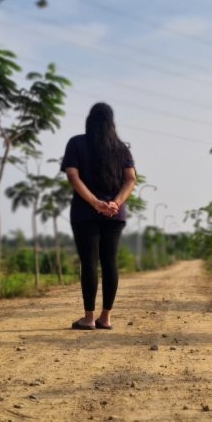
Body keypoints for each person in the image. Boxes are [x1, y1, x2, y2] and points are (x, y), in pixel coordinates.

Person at [61, 102, 136, 330]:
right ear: (111, 122)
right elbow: (131, 179)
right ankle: (106, 317)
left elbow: (73, 176)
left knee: (90, 263)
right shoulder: (121, 148)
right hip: (115, 214)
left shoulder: (76, 143)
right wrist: (115, 203)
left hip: (85, 213)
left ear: (89, 120)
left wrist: (95, 203)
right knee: (110, 262)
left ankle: (89, 318)